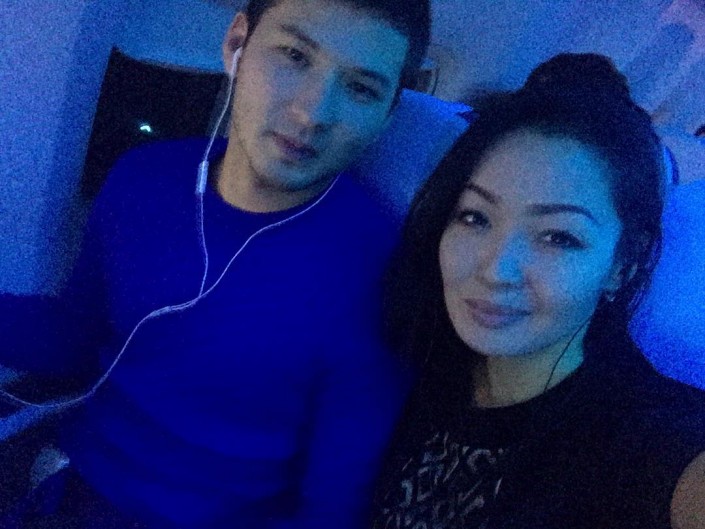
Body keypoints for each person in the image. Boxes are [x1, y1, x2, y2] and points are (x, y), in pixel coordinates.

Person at [0, 0, 430, 527]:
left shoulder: (382, 270)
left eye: (362, 89)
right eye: (295, 56)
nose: (312, 113)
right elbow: (76, 335)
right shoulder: (144, 177)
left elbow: (333, 506)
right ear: (236, 45)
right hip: (73, 485)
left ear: (387, 115)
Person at [370, 53, 705, 529]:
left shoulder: (644, 439)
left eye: (558, 237)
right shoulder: (423, 352)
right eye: (475, 217)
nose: (496, 270)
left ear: (621, 267)